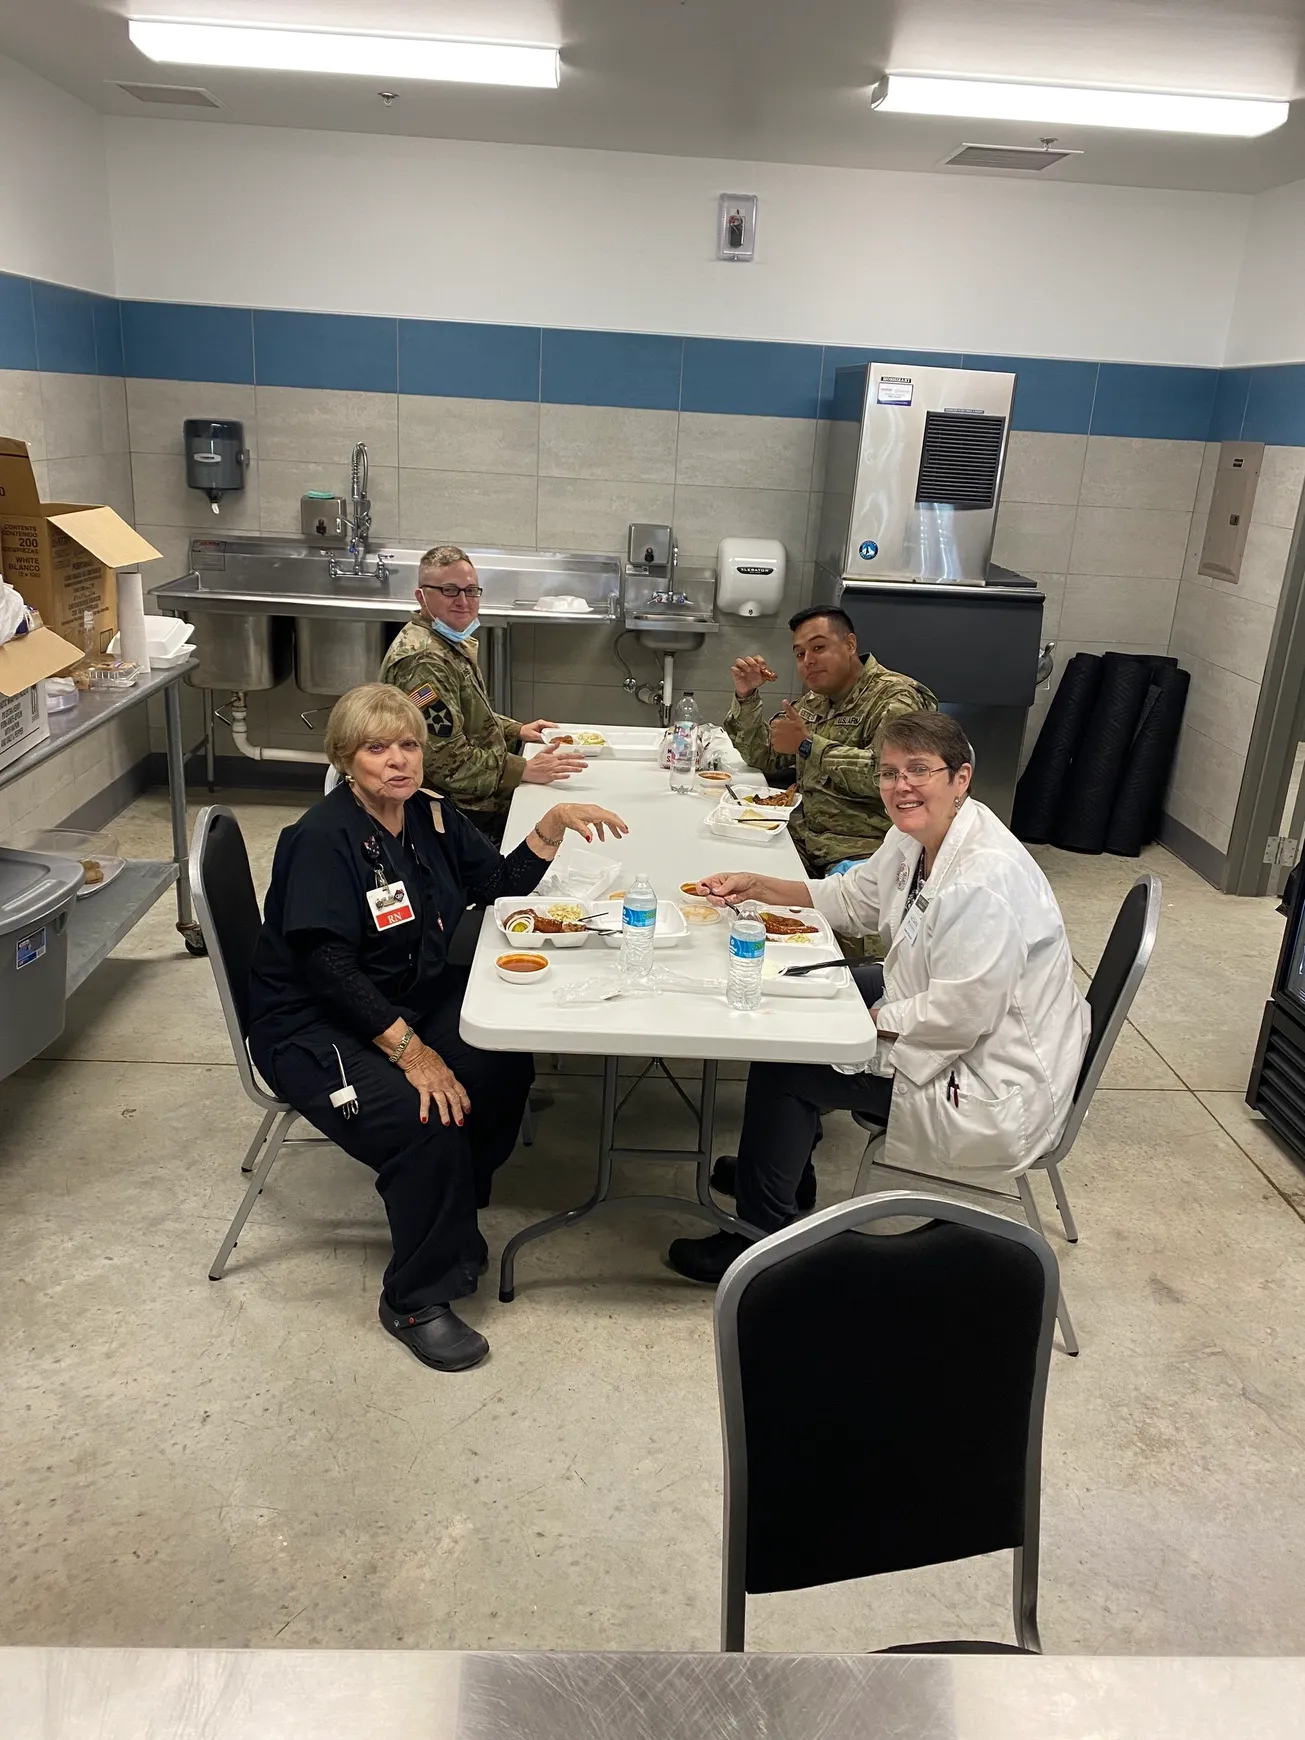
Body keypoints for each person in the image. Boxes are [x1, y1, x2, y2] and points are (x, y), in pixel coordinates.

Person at [246, 683, 628, 1371]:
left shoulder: (429, 816)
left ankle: (454, 1216)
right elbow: (327, 967)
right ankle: (415, 1297)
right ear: (344, 757)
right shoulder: (320, 840)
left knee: (500, 1057)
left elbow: (498, 885)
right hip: (313, 1025)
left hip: (401, 993)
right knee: (427, 1122)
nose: (398, 761)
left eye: (409, 745)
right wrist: (411, 1052)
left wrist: (551, 828)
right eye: (376, 748)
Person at [666, 711, 1090, 1284]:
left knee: (788, 1060)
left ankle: (757, 1239)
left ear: (960, 778)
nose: (901, 786)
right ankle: (785, 1168)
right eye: (890, 772)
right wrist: (759, 886)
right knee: (800, 997)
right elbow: (855, 900)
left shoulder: (982, 881)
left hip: (986, 1079)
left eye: (919, 770)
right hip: (945, 1017)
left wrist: (863, 1022)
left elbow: (959, 1017)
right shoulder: (916, 835)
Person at [380, 544, 587, 841]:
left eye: (471, 591)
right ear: (421, 597)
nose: (463, 601)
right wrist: (523, 769)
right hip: (451, 813)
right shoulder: (425, 661)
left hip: (472, 797)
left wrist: (516, 730)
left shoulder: (444, 642)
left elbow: (464, 714)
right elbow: (445, 763)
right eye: (449, 590)